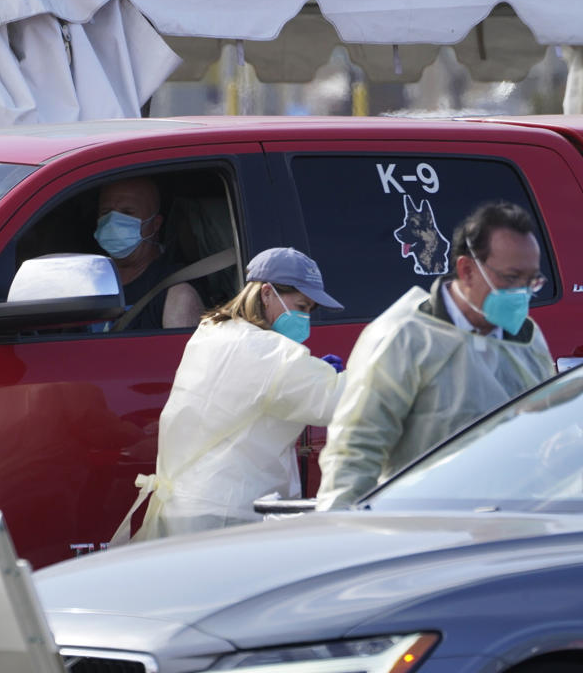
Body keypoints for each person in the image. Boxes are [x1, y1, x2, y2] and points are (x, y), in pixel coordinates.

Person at [316, 202, 556, 511]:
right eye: (511, 278)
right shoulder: (404, 336)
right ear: (467, 270)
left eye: (531, 280)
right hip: (424, 529)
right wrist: (338, 529)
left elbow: (549, 433)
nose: (522, 292)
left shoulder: (526, 338)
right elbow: (357, 448)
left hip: (510, 528)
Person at [111, 247, 346, 543]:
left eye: (309, 310)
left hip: (189, 504)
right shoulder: (269, 353)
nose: (305, 317)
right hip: (229, 515)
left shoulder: (214, 332)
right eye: (301, 305)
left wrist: (308, 374)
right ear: (267, 293)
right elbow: (343, 401)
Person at [94, 177, 205, 329]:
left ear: (155, 224)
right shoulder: (88, 281)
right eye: (106, 212)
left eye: (127, 213)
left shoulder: (176, 294)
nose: (113, 222)